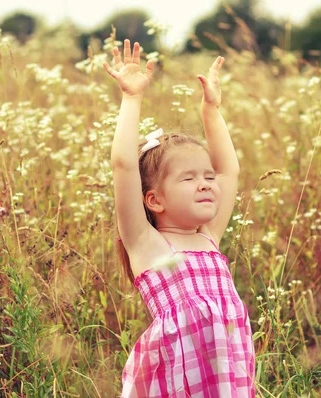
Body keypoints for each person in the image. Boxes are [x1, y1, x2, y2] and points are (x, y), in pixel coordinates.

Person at [103, 39, 255, 397]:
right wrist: (132, 98)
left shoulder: (209, 237)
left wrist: (211, 111)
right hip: (176, 380)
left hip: (226, 380)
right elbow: (123, 165)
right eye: (189, 178)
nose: (205, 184)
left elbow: (229, 169)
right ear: (154, 200)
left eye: (207, 176)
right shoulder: (147, 243)